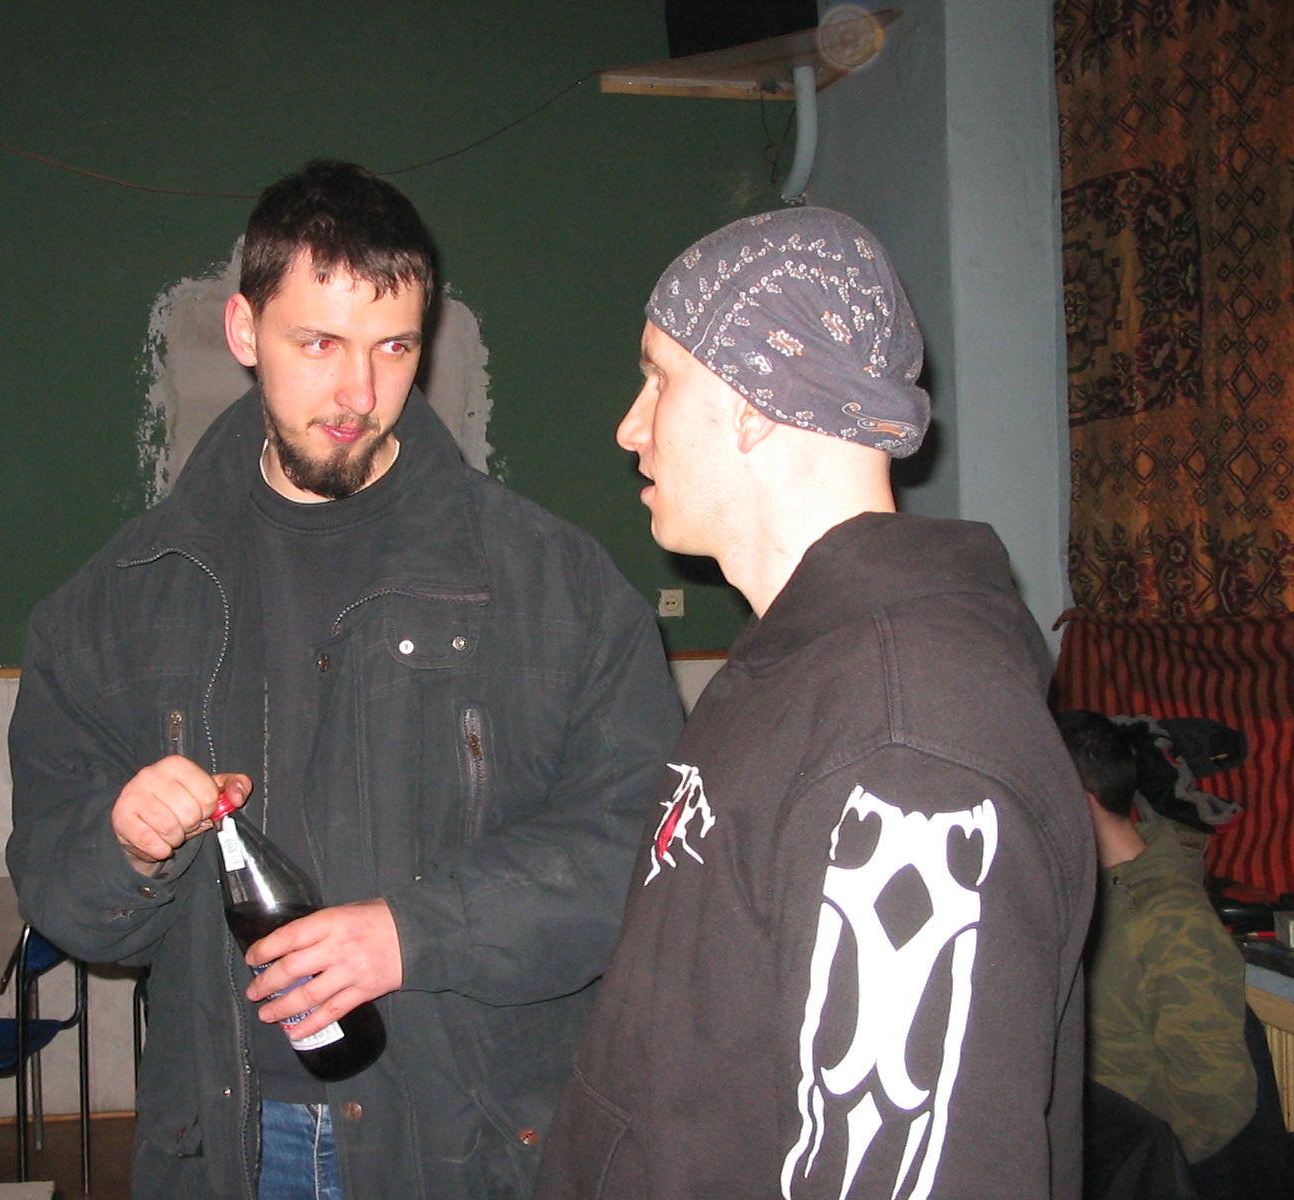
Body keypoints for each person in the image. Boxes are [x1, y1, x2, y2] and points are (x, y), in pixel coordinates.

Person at [6, 159, 682, 1200]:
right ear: (244, 331)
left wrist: (413, 934)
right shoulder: (120, 600)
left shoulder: (559, 585)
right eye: (318, 344)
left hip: (468, 1149)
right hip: (227, 1148)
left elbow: (638, 855)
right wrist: (127, 846)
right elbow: (74, 909)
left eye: (393, 347)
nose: (359, 394)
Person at [532, 207, 1095, 1199]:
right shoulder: (795, 669)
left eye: (659, 378)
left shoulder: (908, 746)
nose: (630, 426)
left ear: (754, 398)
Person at [1055, 710, 1257, 1183]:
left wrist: (1122, 1165)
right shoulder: (1077, 892)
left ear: (1077, 802)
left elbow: (1216, 1101)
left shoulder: (1169, 918)